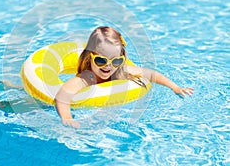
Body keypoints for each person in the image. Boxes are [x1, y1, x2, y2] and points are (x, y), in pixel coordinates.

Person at [55, 26, 194, 128]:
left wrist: (175, 88)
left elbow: (151, 74)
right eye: (101, 60)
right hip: (84, 111)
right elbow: (62, 95)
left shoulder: (121, 70)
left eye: (116, 61)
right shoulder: (87, 78)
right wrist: (67, 118)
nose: (108, 66)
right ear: (89, 57)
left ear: (122, 59)